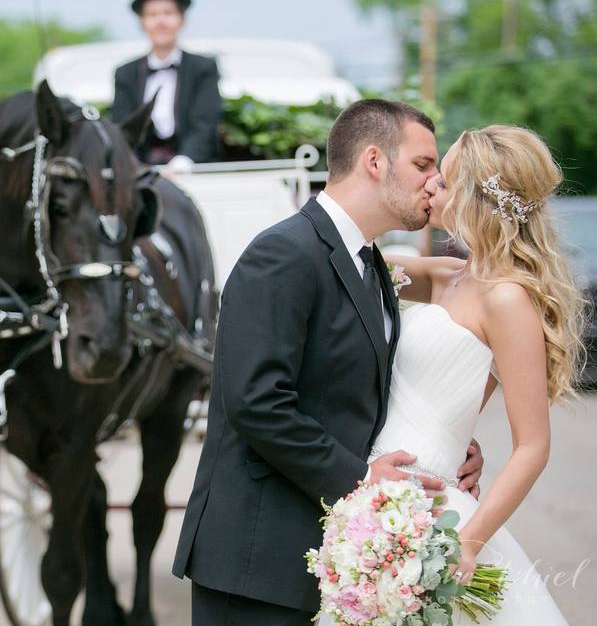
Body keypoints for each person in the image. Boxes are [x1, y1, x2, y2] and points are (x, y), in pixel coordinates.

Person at [172, 99, 488, 625]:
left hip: (331, 561)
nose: (435, 182)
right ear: (374, 161)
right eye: (423, 164)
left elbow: (354, 386)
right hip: (257, 564)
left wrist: (447, 441)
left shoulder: (369, 263)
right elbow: (255, 401)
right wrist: (362, 477)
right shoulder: (283, 254)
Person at [341, 124, 585, 625]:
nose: (430, 186)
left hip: (435, 514)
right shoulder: (447, 275)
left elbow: (533, 446)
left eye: (445, 180)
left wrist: (468, 545)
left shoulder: (507, 299)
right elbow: (350, 263)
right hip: (374, 491)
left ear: (477, 198)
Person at [110, 0, 222, 172]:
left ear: (182, 19)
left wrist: (184, 162)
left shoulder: (203, 68)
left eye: (168, 13)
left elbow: (205, 124)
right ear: (142, 22)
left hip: (194, 170)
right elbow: (123, 127)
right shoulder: (125, 73)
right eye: (152, 14)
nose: (161, 21)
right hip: (139, 173)